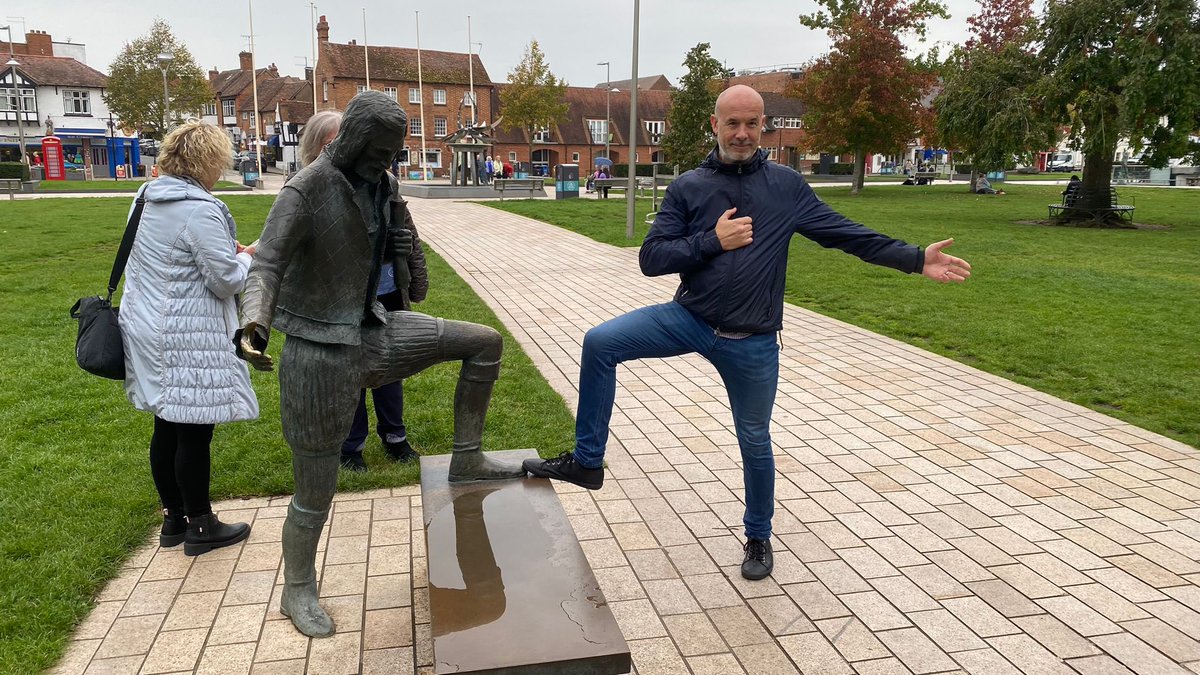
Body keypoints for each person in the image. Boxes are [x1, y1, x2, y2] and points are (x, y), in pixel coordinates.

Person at [523, 85, 972, 582]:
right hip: (690, 319)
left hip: (753, 339)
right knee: (600, 343)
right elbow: (653, 258)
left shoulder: (786, 187)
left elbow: (847, 235)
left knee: (754, 439)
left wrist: (914, 259)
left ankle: (758, 536)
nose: (741, 133)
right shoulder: (689, 187)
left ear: (764, 128)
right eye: (732, 123)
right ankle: (587, 462)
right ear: (713, 126)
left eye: (752, 124)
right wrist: (710, 241)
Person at [236, 91, 523, 638]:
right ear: (349, 139)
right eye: (379, 151)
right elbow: (266, 263)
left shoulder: (383, 185)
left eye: (394, 154)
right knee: (314, 488)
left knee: (483, 342)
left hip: (375, 330)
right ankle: (296, 586)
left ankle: (467, 459)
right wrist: (254, 323)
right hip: (320, 349)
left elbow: (403, 242)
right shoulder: (304, 191)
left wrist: (409, 257)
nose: (386, 163)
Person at [118, 121, 258, 557]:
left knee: (166, 423)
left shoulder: (144, 198)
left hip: (144, 326)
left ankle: (173, 520)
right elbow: (224, 280)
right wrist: (247, 258)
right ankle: (202, 526)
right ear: (209, 161)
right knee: (195, 430)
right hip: (186, 331)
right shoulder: (200, 208)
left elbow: (166, 258)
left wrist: (224, 254)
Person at [297, 110, 430, 473]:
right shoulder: (311, 186)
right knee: (349, 372)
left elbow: (407, 230)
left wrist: (411, 270)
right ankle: (351, 445)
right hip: (340, 297)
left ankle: (395, 437)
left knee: (389, 365)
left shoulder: (384, 181)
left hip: (384, 291)